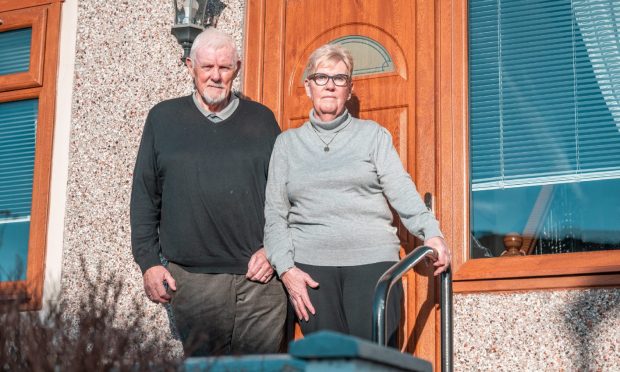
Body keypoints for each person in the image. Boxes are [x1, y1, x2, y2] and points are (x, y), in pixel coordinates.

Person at [264, 44, 451, 344]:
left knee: (376, 362)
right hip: (311, 273)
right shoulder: (287, 145)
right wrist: (286, 269)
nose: (329, 85)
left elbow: (401, 189)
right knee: (330, 365)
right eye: (321, 77)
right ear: (308, 86)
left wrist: (432, 232)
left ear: (349, 90)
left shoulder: (373, 136)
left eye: (339, 79)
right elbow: (274, 215)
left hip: (373, 266)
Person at [130, 28, 286, 356]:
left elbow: (287, 195)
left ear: (237, 69)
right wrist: (148, 263)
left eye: (225, 67)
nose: (216, 76)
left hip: (260, 279)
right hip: (193, 282)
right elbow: (145, 195)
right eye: (207, 67)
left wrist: (274, 250)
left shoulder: (262, 120)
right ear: (190, 66)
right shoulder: (163, 118)